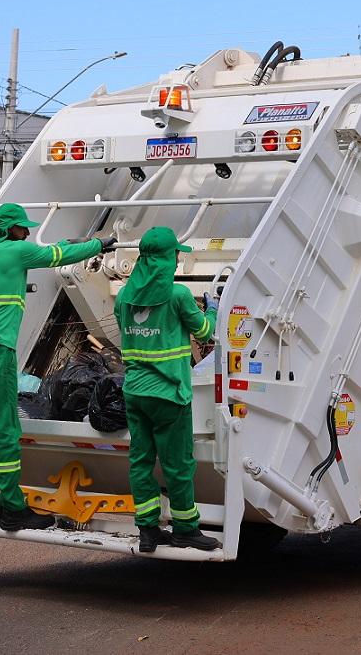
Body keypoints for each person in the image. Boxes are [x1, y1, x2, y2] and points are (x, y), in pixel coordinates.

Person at [0, 203, 114, 532]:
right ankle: (14, 509)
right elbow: (55, 257)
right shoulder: (15, 250)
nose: (27, 232)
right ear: (9, 229)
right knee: (3, 429)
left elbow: (48, 251)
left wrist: (68, 244)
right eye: (22, 227)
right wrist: (98, 245)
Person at [116, 226, 219, 552]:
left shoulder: (123, 297)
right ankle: (185, 528)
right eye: (175, 254)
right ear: (163, 258)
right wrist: (214, 309)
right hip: (169, 394)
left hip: (135, 391)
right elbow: (204, 331)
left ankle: (148, 531)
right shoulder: (178, 296)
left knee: (141, 461)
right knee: (178, 465)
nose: (177, 260)